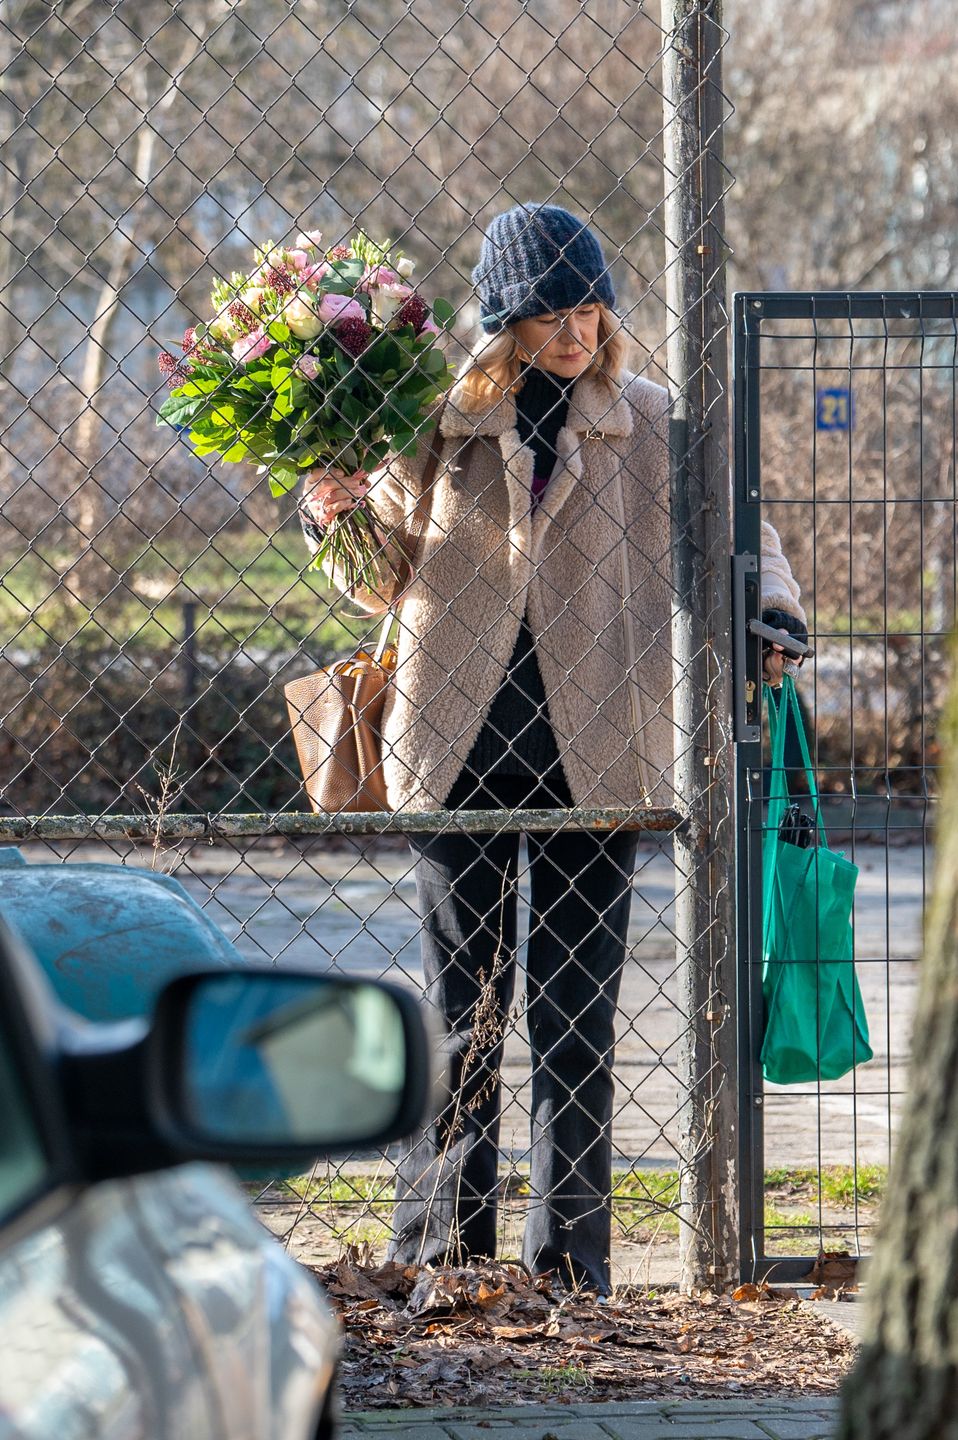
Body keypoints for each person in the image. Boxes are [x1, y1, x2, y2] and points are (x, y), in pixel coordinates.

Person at [298, 202, 807, 1294]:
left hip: (601, 746)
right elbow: (375, 573)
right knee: (459, 1008)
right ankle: (440, 1249)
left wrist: (771, 612)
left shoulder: (655, 420)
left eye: (589, 306)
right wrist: (330, 510)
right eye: (547, 311)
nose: (575, 330)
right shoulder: (434, 421)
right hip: (453, 744)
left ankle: (570, 1266)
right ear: (503, 321)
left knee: (575, 1016)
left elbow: (745, 531)